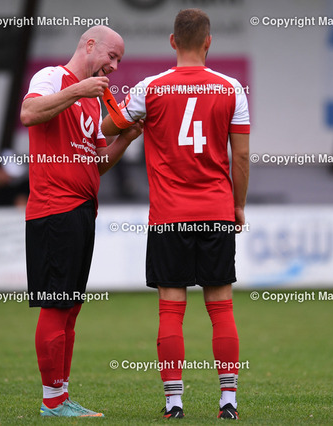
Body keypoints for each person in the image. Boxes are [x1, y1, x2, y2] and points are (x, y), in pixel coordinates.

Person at [102, 9, 250, 420]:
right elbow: (241, 157)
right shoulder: (232, 89)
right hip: (216, 211)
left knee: (171, 309)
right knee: (221, 307)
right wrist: (238, 205)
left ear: (172, 41)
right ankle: (228, 400)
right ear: (208, 41)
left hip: (169, 215)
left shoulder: (150, 88)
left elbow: (110, 127)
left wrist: (109, 100)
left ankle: (174, 402)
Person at [20, 25, 142, 417]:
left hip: (82, 210)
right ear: (90, 45)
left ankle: (61, 395)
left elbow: (97, 163)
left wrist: (126, 139)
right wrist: (78, 91)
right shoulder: (53, 77)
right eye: (112, 56)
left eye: (119, 60)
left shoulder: (92, 101)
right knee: (56, 305)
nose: (114, 66)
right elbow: (28, 113)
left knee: (70, 307)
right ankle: (52, 401)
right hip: (54, 208)